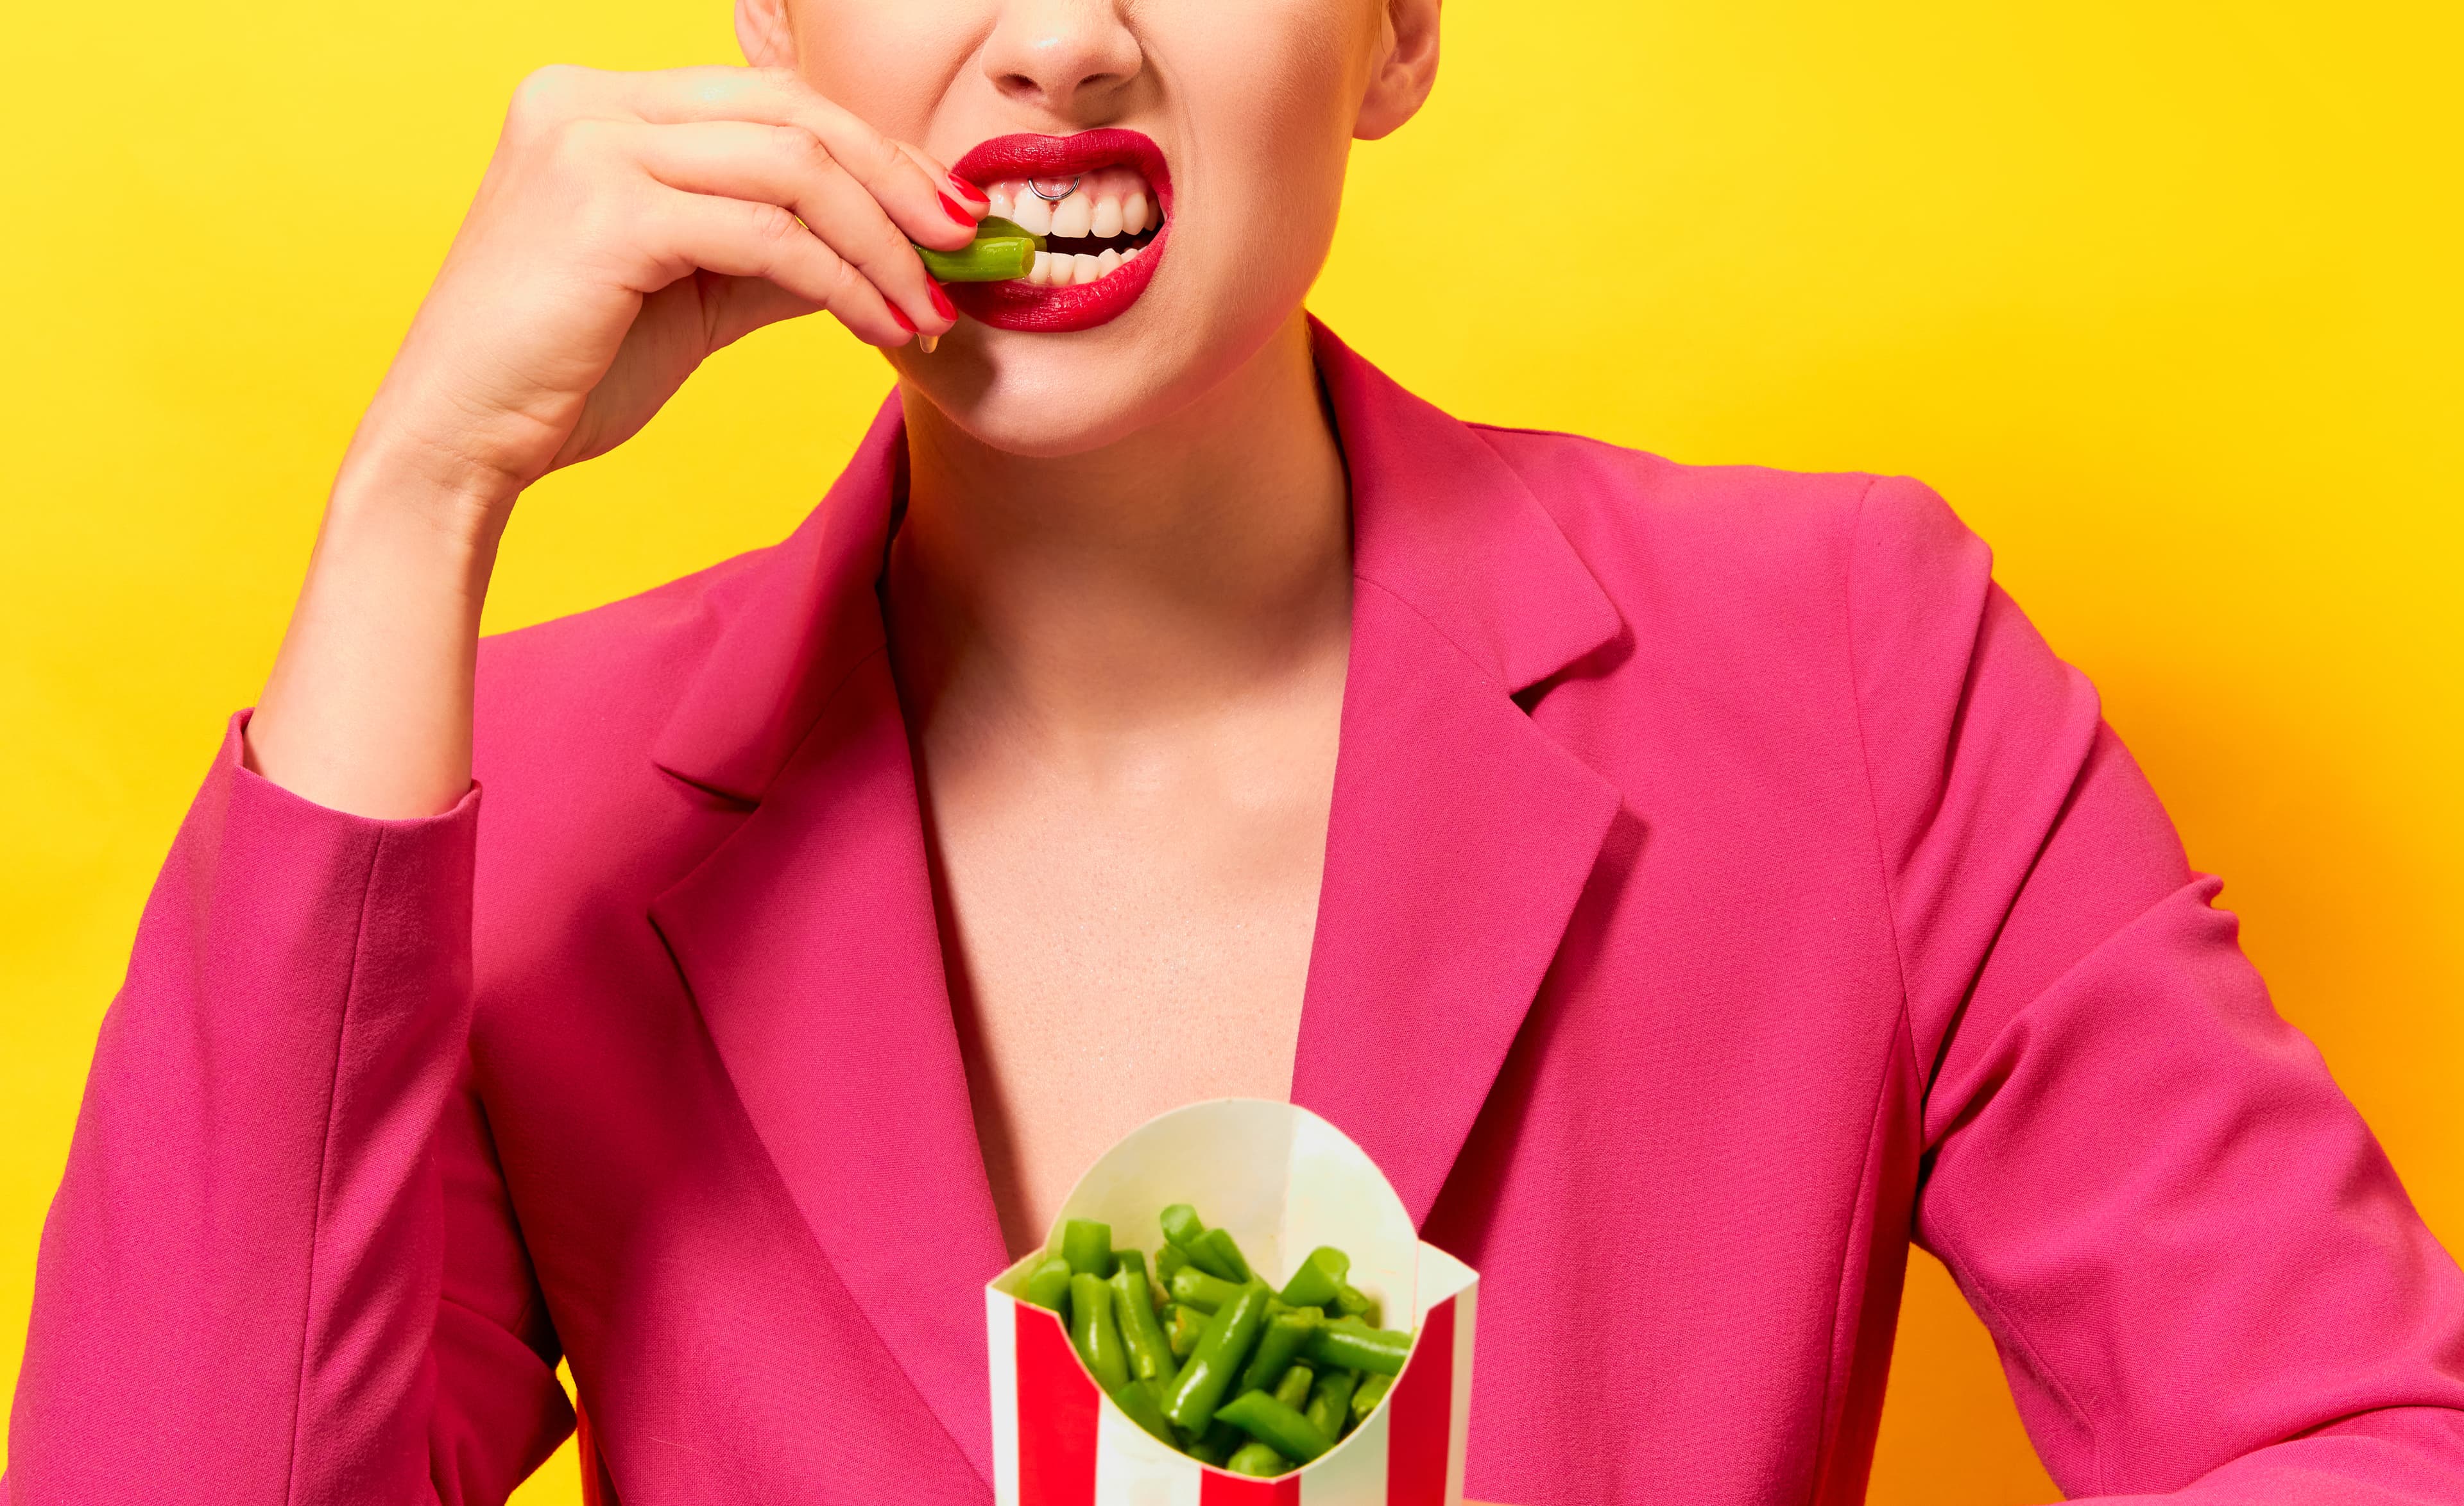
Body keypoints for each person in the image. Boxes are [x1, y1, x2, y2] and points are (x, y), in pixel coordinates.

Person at [11, 0, 2463, 1502]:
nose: (1068, 34)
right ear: (773, 20)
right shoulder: (535, 800)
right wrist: (412, 499)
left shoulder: (1848, 660)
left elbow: (2342, 1432)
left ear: (1397, 31)